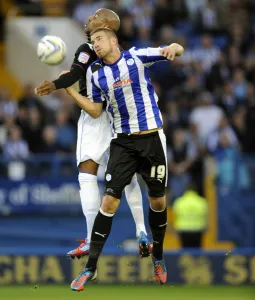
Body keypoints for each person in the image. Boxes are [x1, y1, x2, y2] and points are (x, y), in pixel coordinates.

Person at [65, 28, 184, 291]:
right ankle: (90, 268)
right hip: (122, 143)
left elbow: (176, 46)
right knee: (108, 201)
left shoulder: (137, 57)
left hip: (151, 139)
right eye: (92, 40)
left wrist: (173, 49)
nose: (95, 44)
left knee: (158, 200)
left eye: (99, 39)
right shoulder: (96, 75)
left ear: (113, 40)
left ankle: (159, 256)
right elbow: (96, 111)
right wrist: (73, 93)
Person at [35, 9, 149, 259]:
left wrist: (57, 85)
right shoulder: (120, 51)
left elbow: (76, 73)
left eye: (95, 17)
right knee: (127, 176)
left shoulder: (88, 48)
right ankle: (142, 231)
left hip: (95, 116)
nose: (89, 20)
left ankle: (89, 238)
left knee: (87, 174)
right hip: (120, 116)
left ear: (107, 26)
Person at [172, 181, 208, 248]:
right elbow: (206, 217)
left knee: (185, 251)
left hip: (183, 229)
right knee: (197, 250)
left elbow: (175, 216)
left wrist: (175, 230)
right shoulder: (202, 202)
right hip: (198, 229)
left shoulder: (179, 202)